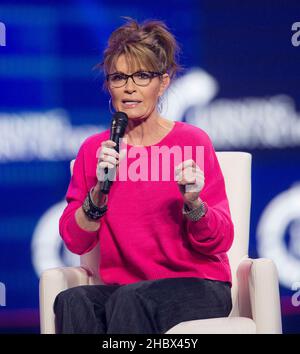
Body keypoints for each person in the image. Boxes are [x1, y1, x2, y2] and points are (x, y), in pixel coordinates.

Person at [54, 18, 234, 334]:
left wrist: (194, 203)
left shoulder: (191, 142)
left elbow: (221, 240)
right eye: (119, 77)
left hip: (199, 286)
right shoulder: (95, 150)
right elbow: (74, 238)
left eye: (141, 76)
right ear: (108, 85)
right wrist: (98, 192)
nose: (129, 87)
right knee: (72, 301)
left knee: (130, 299)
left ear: (163, 83)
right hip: (129, 289)